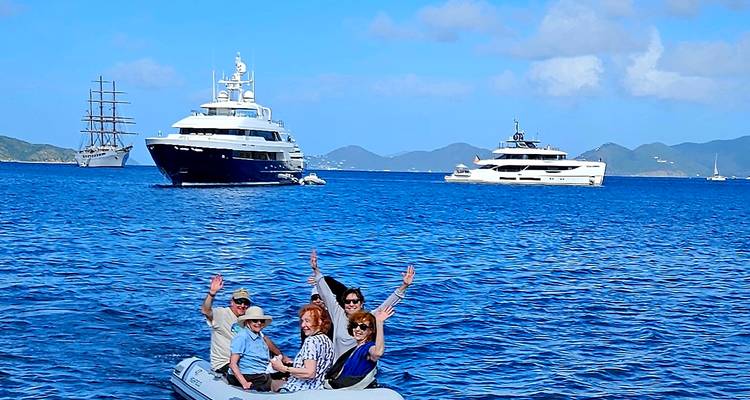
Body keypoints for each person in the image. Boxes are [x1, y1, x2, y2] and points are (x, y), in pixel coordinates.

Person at [309, 249, 415, 358]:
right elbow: (326, 294)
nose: (351, 304)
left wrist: (404, 286)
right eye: (347, 301)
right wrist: (316, 270)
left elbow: (388, 303)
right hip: (339, 367)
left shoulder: (368, 317)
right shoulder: (337, 314)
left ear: (361, 303)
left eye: (355, 301)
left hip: (359, 367)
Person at [200, 274, 287, 373]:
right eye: (239, 301)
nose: (242, 305)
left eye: (246, 303)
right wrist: (212, 293)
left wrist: (281, 357)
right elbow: (205, 310)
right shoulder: (221, 314)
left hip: (247, 362)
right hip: (225, 363)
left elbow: (264, 340)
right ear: (232, 302)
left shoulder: (249, 319)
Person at [326, 306, 394, 389]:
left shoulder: (367, 347)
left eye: (363, 327)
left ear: (371, 330)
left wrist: (379, 323)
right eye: (355, 325)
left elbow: (377, 353)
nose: (358, 329)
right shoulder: (353, 350)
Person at [270, 304, 334, 392]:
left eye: (307, 321)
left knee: (270, 385)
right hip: (318, 388)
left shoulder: (311, 341)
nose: (303, 325)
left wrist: (283, 368)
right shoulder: (327, 341)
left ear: (319, 321)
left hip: (298, 390)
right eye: (302, 321)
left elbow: (310, 373)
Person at [227, 306, 274, 391]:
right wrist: (244, 383)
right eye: (255, 321)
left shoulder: (259, 336)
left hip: (261, 371)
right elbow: (233, 364)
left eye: (261, 321)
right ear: (247, 322)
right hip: (247, 374)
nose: (259, 323)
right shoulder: (242, 337)